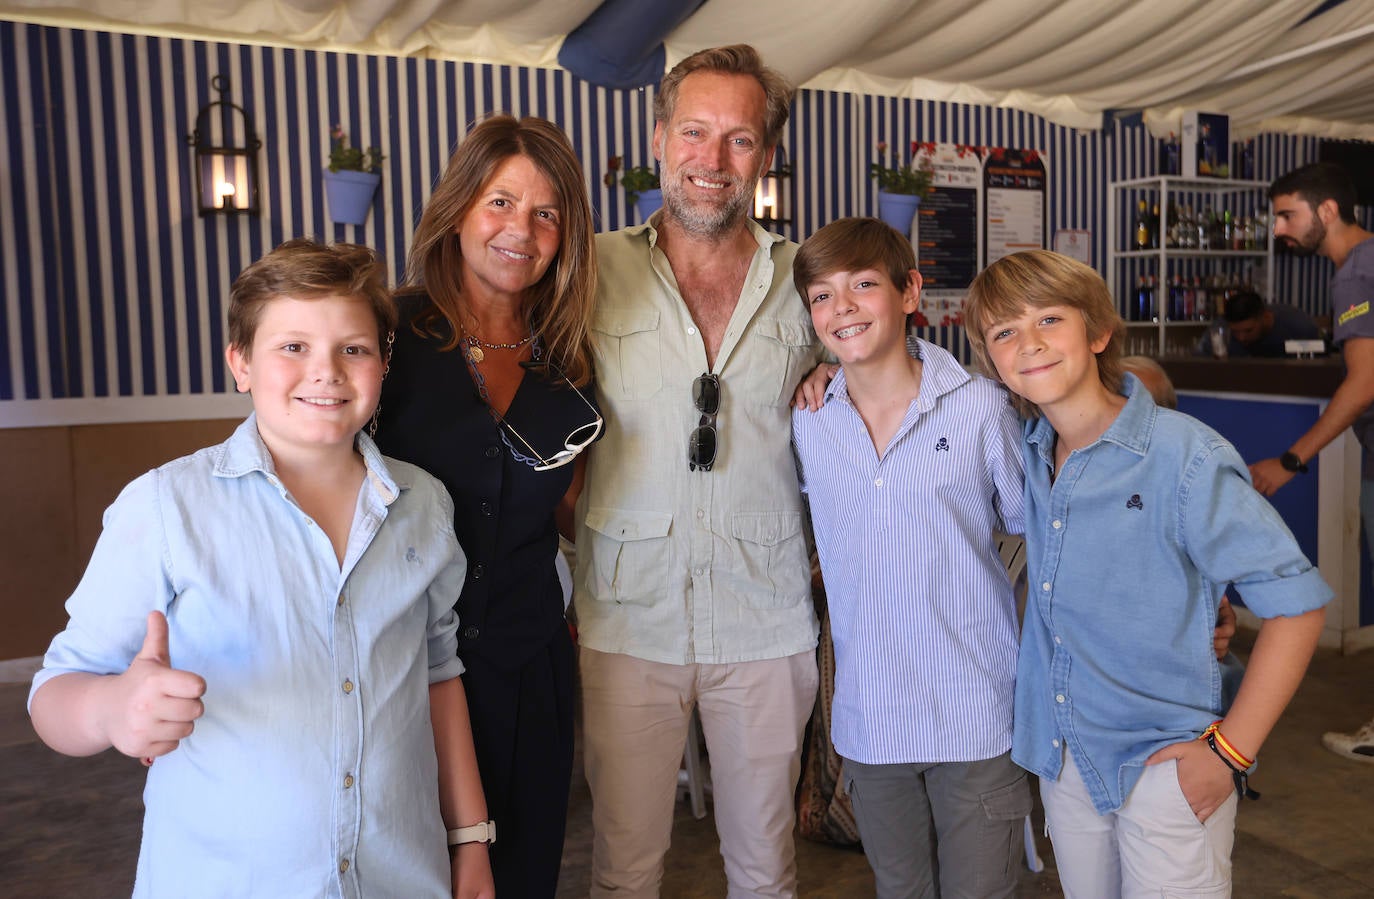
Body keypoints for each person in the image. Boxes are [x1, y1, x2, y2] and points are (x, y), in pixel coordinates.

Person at [27, 240, 495, 899]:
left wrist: (469, 837)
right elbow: (53, 694)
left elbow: (439, 678)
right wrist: (110, 709)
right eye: (293, 346)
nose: (326, 371)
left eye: (353, 348)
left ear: (384, 363)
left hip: (400, 875)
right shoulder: (166, 506)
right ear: (240, 363)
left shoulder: (424, 506)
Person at [964, 248, 1331, 898]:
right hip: (1064, 753)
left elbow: (1297, 604)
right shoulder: (1032, 450)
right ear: (992, 359)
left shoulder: (1183, 455)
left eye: (1049, 319)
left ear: (1098, 331)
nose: (1029, 343)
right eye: (1004, 331)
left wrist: (1230, 753)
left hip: (1165, 763)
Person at [574, 44, 825, 898]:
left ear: (767, 154)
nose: (713, 161)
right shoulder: (588, 269)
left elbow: (887, 380)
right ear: (658, 139)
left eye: (741, 139)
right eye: (694, 131)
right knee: (625, 869)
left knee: (766, 870)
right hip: (627, 619)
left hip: (767, 616)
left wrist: (841, 369)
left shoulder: (810, 281)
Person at [371, 115, 601, 896]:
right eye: (501, 202)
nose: (521, 230)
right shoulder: (385, 337)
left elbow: (566, 512)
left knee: (524, 875)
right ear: (459, 207)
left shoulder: (570, 362)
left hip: (529, 667)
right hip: (398, 673)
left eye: (546, 213)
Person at [790, 217, 1029, 897]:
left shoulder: (980, 408)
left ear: (909, 291)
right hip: (871, 722)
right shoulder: (808, 418)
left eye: (863, 285)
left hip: (977, 715)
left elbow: (1043, 529)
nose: (843, 308)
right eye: (822, 296)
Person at [1249, 162, 1374, 763]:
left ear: (1327, 212)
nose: (1278, 229)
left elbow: (1363, 383)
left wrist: (1290, 460)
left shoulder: (1356, 273)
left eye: (1286, 214)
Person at [1198, 290, 1322, 358]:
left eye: (1248, 330)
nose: (1241, 337)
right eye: (1235, 332)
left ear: (1265, 317)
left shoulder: (1299, 326)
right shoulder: (1219, 333)